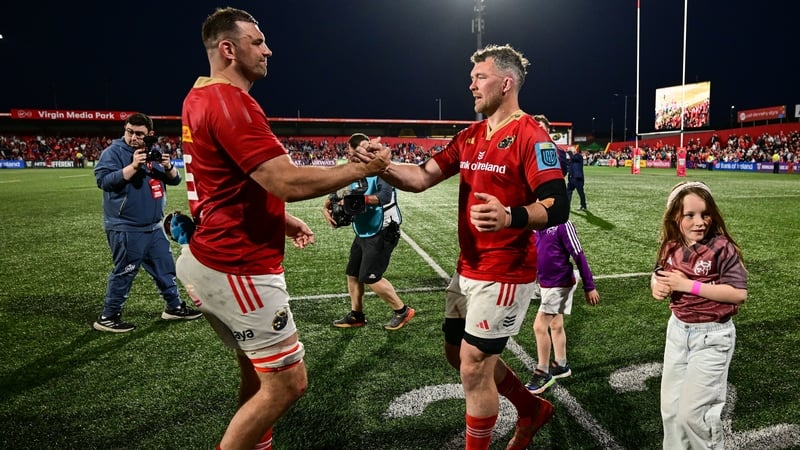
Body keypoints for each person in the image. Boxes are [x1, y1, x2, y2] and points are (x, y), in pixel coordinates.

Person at [175, 8, 390, 450]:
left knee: (257, 372)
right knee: (289, 383)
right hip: (238, 266)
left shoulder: (198, 96)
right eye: (257, 41)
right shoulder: (231, 102)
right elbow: (285, 180)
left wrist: (281, 219)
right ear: (228, 49)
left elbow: (227, 182)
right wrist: (357, 167)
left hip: (208, 255)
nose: (268, 49)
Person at [355, 43, 567, 450]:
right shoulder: (469, 136)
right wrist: (382, 165)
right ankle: (532, 409)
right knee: (458, 355)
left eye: (479, 77)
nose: (470, 85)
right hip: (466, 267)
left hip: (505, 271)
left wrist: (511, 216)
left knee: (473, 367)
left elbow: (558, 205)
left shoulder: (530, 136)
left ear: (506, 83)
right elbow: (419, 178)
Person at [651, 181, 747, 449]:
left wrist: (689, 285)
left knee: (694, 417)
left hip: (712, 336)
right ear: (675, 217)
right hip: (678, 331)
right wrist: (656, 286)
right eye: (689, 215)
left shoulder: (721, 247)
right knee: (670, 412)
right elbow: (658, 273)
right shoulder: (670, 245)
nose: (699, 222)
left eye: (705, 214)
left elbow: (738, 293)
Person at [93, 112, 201, 333]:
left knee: (165, 268)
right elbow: (103, 181)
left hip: (153, 226)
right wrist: (133, 167)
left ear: (149, 134)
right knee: (125, 270)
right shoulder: (112, 153)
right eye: (130, 132)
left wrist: (169, 166)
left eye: (139, 134)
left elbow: (175, 179)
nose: (133, 137)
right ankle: (108, 316)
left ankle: (174, 307)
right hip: (126, 226)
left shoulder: (153, 152)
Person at [324, 133, 415, 331]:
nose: (351, 156)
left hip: (382, 230)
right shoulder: (356, 170)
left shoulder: (381, 168)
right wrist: (326, 206)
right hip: (364, 230)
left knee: (370, 276)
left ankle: (402, 311)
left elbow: (384, 195)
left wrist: (357, 202)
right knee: (353, 273)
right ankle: (357, 315)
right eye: (350, 152)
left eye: (354, 151)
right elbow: (338, 191)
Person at [524, 220, 600, 394]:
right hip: (546, 284)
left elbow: (578, 254)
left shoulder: (562, 224)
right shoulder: (534, 225)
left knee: (539, 326)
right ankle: (561, 365)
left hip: (560, 283)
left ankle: (543, 372)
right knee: (555, 325)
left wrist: (589, 286)